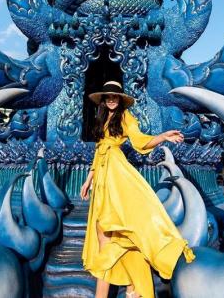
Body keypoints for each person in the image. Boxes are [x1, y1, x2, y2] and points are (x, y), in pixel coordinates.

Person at [81, 81, 195, 298]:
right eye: (108, 97)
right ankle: (133, 289)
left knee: (111, 228)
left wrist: (162, 137)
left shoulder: (126, 117)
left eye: (116, 97)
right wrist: (88, 179)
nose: (112, 100)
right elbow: (98, 152)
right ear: (104, 100)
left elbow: (140, 141)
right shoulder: (103, 118)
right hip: (103, 176)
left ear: (121, 100)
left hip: (117, 174)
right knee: (103, 231)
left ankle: (121, 290)